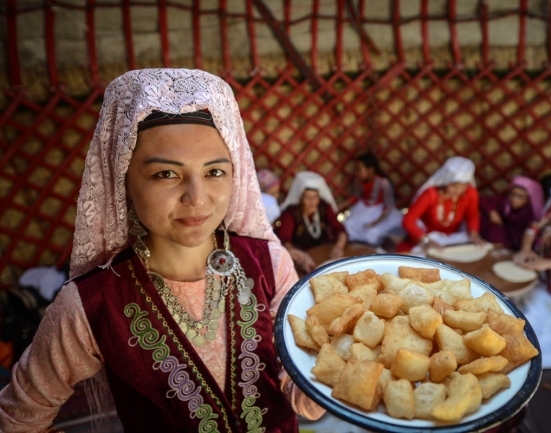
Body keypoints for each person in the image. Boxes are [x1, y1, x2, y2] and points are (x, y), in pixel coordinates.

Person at [0, 69, 324, 432]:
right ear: (122, 180)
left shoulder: (268, 262)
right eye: (165, 174)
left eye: (215, 172)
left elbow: (300, 394)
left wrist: (334, 376)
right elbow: (18, 417)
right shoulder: (90, 304)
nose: (197, 199)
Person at [398, 156, 483, 252]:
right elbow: (408, 220)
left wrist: (473, 234)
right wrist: (426, 240)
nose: (459, 191)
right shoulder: (430, 195)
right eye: (454, 186)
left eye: (464, 186)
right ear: (445, 181)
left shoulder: (470, 193)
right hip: (428, 236)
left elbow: (472, 216)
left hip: (453, 238)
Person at [277, 171, 347, 273]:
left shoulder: (324, 207)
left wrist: (339, 246)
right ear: (300, 198)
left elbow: (340, 229)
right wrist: (298, 254)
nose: (312, 202)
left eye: (315, 197)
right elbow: (285, 240)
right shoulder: (291, 213)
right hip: (303, 258)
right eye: (307, 197)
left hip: (325, 253)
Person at [340, 153, 404, 246]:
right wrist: (343, 205)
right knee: (347, 225)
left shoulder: (384, 183)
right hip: (363, 209)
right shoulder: (358, 181)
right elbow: (356, 196)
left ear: (370, 170)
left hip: (381, 213)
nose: (356, 172)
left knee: (372, 233)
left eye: (359, 169)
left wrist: (375, 222)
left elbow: (388, 206)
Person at [479, 175, 545, 250]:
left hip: (515, 245)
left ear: (529, 199)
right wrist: (492, 212)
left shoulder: (529, 215)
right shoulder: (505, 203)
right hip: (498, 240)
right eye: (513, 194)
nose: (514, 200)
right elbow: (483, 199)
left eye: (520, 197)